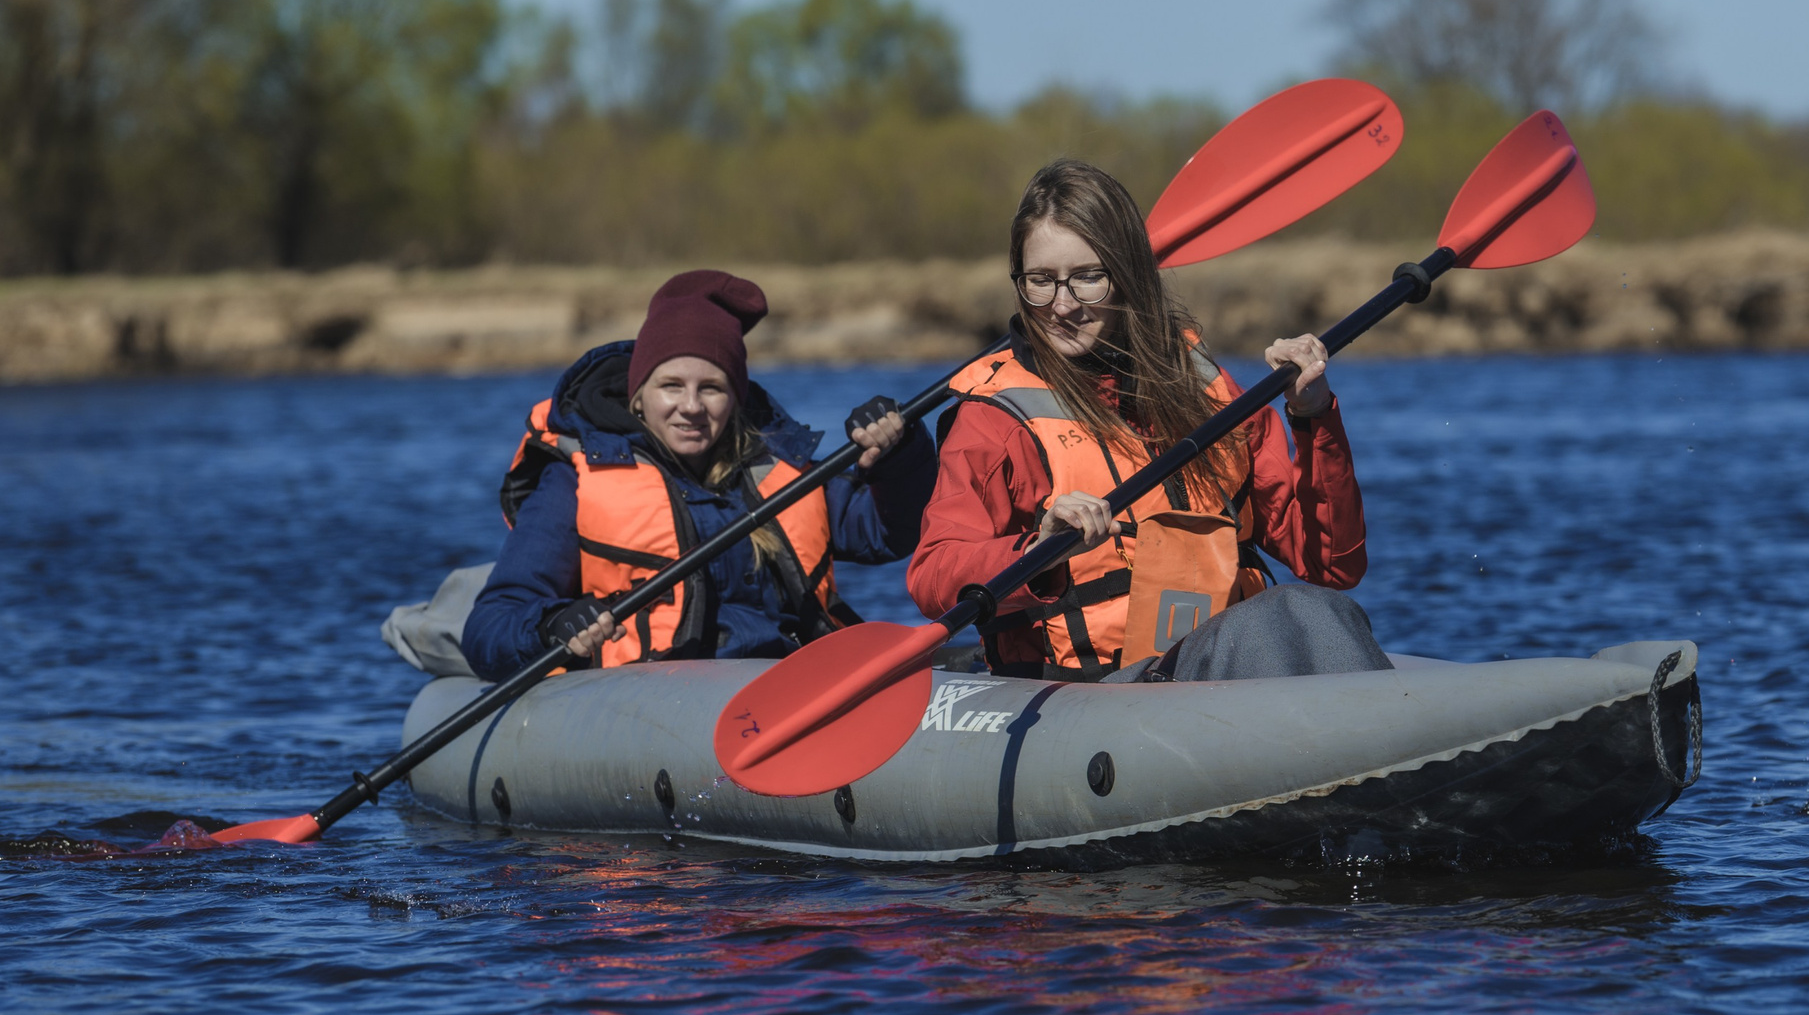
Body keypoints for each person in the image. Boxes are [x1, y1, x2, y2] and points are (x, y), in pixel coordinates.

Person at [907, 158, 1390, 683]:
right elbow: (933, 576)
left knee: (1314, 611)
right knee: (1282, 618)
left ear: (1127, 276)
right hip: (1091, 697)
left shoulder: (1209, 391)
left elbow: (1333, 567)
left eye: (1087, 278)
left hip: (1230, 671)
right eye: (1040, 281)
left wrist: (1313, 413)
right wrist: (1037, 550)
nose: (1061, 306)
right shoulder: (994, 420)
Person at [461, 269, 934, 680]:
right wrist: (552, 623)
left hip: (787, 681)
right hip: (653, 700)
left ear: (735, 398)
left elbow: (885, 535)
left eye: (711, 388)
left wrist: (898, 456)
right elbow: (491, 626)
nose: (691, 407)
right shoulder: (576, 483)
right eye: (671, 386)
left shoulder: (776, 467)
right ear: (638, 397)